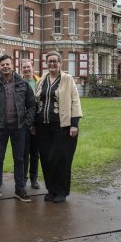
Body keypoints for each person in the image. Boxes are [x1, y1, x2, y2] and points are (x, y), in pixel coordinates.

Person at [34, 51, 83, 203]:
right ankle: (51, 190)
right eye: (49, 62)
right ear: (46, 63)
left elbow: (75, 101)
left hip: (61, 127)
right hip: (43, 127)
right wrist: (34, 124)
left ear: (60, 63)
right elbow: (37, 102)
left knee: (61, 159)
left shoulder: (67, 79)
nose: (52, 64)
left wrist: (74, 124)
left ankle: (61, 191)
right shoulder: (42, 79)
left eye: (55, 61)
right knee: (47, 159)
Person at [0, 54, 35, 202]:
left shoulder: (23, 84)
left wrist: (27, 124)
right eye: (2, 65)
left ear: (12, 65)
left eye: (8, 64)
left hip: (19, 128)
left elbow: (31, 105)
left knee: (19, 159)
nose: (5, 67)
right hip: (0, 128)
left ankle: (19, 189)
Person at [21, 59, 41, 190]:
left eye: (28, 67)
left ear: (32, 68)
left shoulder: (39, 82)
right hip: (23, 123)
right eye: (24, 67)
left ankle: (34, 178)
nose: (27, 69)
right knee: (23, 153)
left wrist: (35, 123)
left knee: (35, 152)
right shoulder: (19, 83)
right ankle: (23, 178)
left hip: (37, 123)